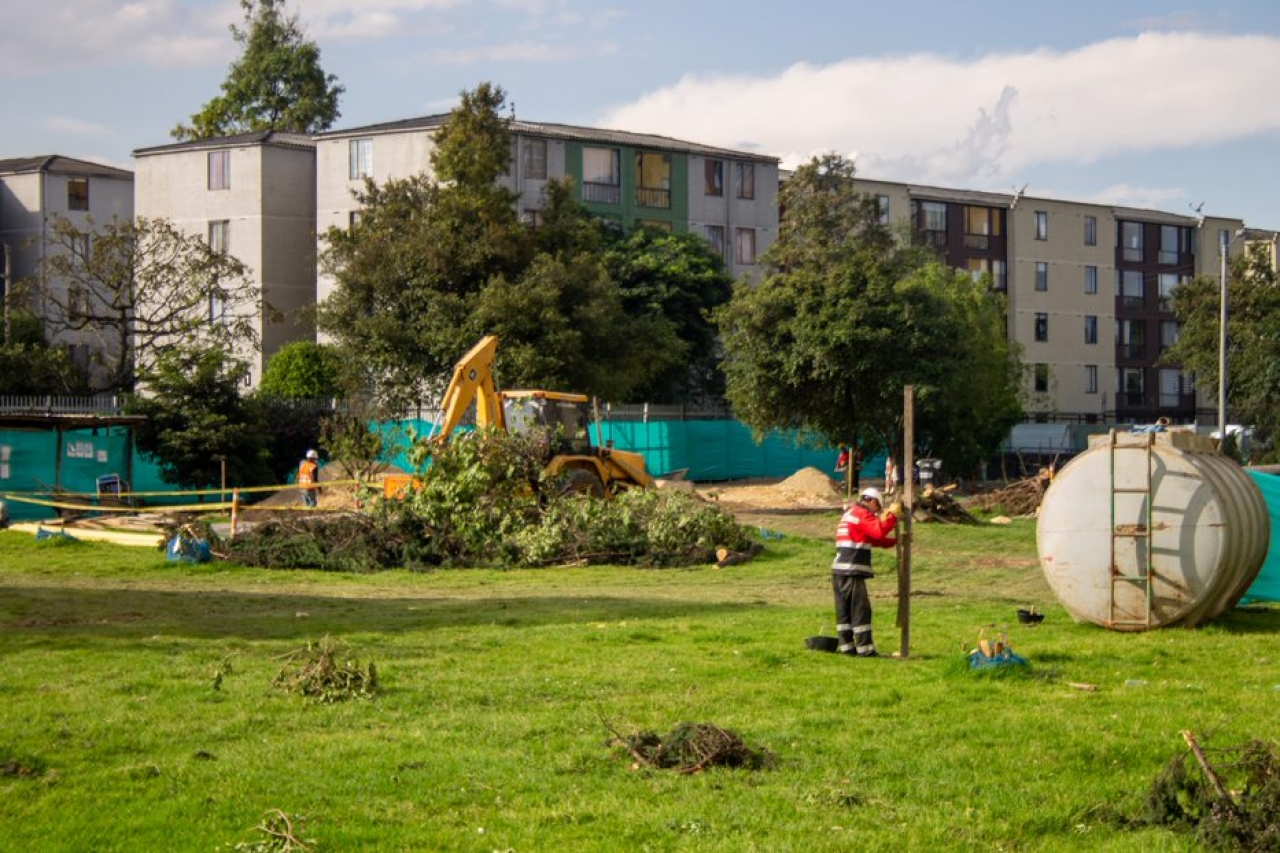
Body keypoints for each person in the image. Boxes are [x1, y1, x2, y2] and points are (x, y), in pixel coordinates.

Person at [831, 486, 901, 657]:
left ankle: (847, 648)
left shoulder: (850, 513)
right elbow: (877, 531)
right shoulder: (862, 513)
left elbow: (869, 538)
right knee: (860, 610)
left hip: (839, 570)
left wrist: (892, 542)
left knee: (844, 611)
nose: (877, 513)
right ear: (873, 501)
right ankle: (865, 650)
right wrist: (892, 516)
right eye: (878, 508)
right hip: (851, 570)